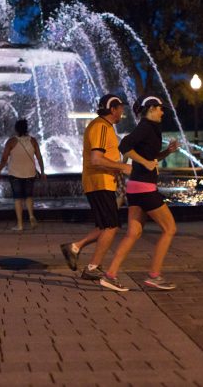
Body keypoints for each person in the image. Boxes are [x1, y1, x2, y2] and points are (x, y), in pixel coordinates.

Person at [98, 95, 179, 292]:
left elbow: (149, 157)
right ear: (151, 109)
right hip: (144, 188)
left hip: (135, 187)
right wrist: (144, 162)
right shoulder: (145, 126)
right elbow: (124, 146)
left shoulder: (151, 128)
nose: (162, 111)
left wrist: (166, 153)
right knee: (170, 229)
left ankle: (110, 275)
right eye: (160, 108)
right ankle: (154, 275)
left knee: (133, 233)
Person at [59, 94, 132, 280]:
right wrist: (123, 167)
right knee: (111, 225)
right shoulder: (100, 126)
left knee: (105, 225)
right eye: (120, 107)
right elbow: (96, 158)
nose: (122, 111)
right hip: (99, 181)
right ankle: (93, 267)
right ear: (113, 109)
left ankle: (74, 247)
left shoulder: (105, 127)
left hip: (104, 181)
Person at [0, 119, 46, 231]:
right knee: (28, 196)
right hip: (30, 173)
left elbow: (4, 159)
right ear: (27, 128)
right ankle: (31, 216)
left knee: (18, 198)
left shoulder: (11, 141)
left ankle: (20, 224)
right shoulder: (33, 141)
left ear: (16, 129)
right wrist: (42, 172)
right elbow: (39, 157)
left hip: (15, 174)